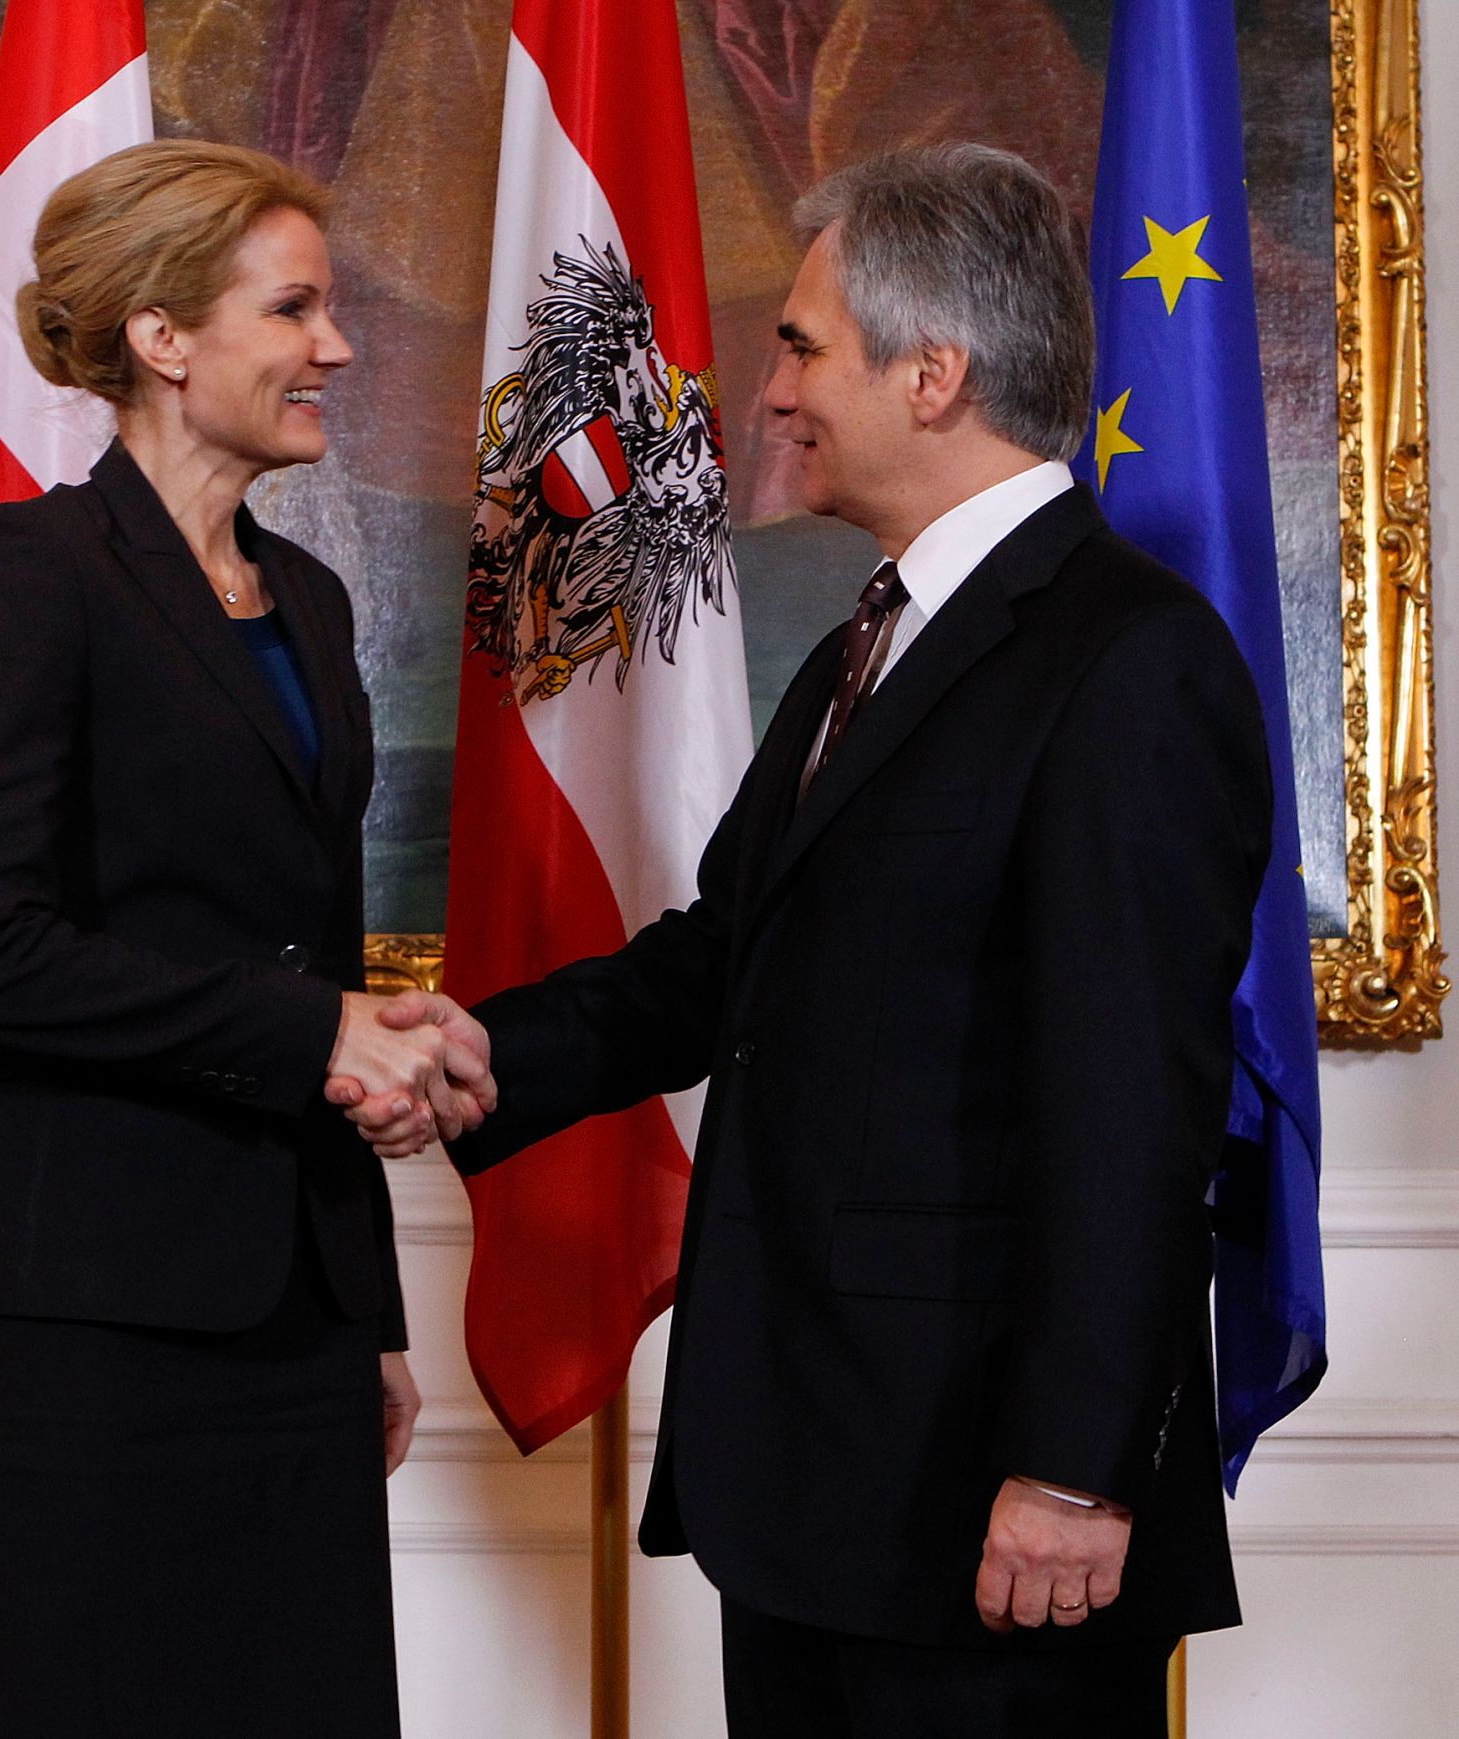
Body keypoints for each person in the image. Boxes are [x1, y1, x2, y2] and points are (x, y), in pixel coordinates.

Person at [337, 143, 1271, 1736]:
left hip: (994, 1504)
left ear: (933, 374)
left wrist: (1071, 1466)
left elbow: (1133, 1107)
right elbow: (733, 960)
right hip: (823, 1483)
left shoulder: (1127, 661)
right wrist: (490, 1051)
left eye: (802, 346)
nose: (767, 390)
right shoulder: (875, 637)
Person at [0, 140, 489, 1738]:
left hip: (289, 1306)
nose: (340, 346)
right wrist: (317, 1039)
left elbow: (293, 949)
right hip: (85, 1310)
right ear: (164, 337)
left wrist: (361, 1307)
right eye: (294, 307)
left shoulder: (305, 596)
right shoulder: (34, 572)